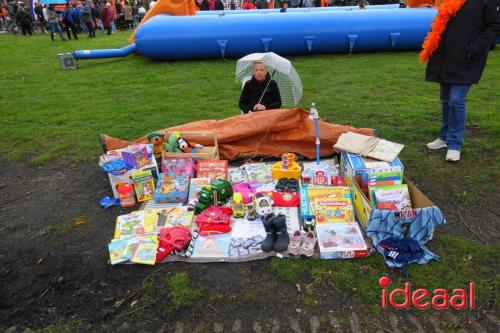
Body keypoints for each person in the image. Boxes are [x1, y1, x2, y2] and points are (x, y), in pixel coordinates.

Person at [421, 0, 500, 162]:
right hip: (446, 56)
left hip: (467, 58)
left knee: (456, 99)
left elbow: (495, 26)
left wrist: (475, 49)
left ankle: (454, 144)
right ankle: (443, 137)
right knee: (445, 98)